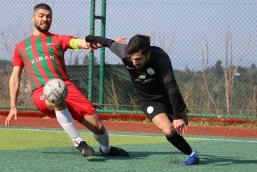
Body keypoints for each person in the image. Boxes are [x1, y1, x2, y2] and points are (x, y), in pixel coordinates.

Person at [5, 3, 129, 158]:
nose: (45, 19)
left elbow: (81, 42)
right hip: (41, 92)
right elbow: (15, 78)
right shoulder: (21, 47)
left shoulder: (58, 39)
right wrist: (13, 106)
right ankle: (79, 142)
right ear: (33, 18)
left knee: (98, 126)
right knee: (55, 95)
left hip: (67, 88)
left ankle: (106, 149)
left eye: (48, 16)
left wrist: (108, 43)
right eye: (41, 15)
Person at [85, 34, 199, 165]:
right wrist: (88, 38)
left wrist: (178, 117)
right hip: (147, 99)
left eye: (138, 59)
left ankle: (174, 116)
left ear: (148, 54)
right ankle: (192, 155)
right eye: (132, 59)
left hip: (167, 94)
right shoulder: (124, 53)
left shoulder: (161, 59)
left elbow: (171, 88)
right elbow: (108, 42)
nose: (134, 63)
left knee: (183, 123)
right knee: (169, 130)